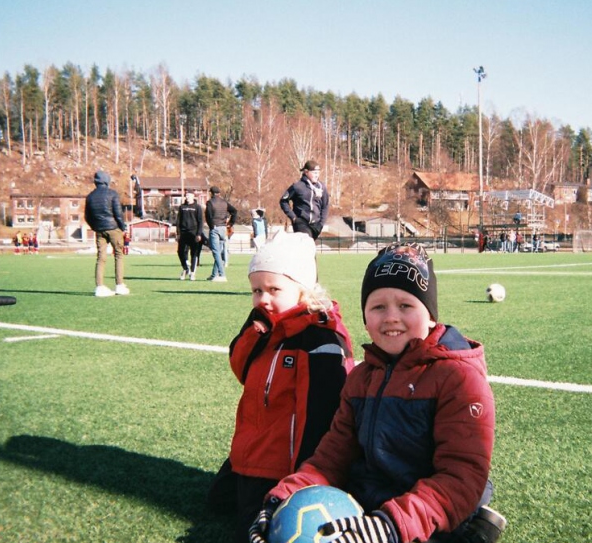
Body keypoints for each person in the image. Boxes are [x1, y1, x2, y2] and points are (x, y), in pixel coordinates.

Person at [249, 242, 505, 543]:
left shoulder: (458, 378)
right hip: (371, 505)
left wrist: (390, 526)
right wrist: (281, 499)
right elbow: (331, 457)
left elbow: (461, 478)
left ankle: (473, 529)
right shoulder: (360, 378)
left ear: (431, 314)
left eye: (405, 305)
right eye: (378, 306)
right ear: (365, 316)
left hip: (425, 510)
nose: (391, 317)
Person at [207, 232, 355, 543]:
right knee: (215, 503)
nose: (263, 299)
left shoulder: (319, 338)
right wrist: (254, 330)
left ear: (303, 290)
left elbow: (320, 416)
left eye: (274, 289)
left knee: (252, 531)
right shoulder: (267, 329)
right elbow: (240, 367)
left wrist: (302, 477)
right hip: (252, 452)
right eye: (256, 290)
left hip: (283, 466)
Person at [84, 170, 129, 297]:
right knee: (119, 255)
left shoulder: (90, 197)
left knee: (100, 258)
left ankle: (99, 286)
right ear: (106, 180)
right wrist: (122, 227)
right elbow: (118, 213)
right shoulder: (112, 194)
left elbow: (87, 216)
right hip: (113, 228)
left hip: (99, 230)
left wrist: (95, 227)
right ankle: (119, 285)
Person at [280, 160, 329, 239]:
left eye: (318, 172)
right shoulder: (297, 186)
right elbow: (283, 201)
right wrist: (294, 217)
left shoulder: (322, 187)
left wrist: (321, 223)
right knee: (306, 243)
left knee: (309, 248)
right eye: (314, 173)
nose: (317, 175)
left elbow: (325, 206)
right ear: (306, 172)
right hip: (301, 223)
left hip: (316, 225)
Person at [205, 185, 237, 282]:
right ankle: (214, 274)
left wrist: (211, 226)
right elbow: (234, 211)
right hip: (223, 228)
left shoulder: (210, 203)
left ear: (211, 193)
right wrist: (230, 223)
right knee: (219, 252)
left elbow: (208, 216)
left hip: (215, 228)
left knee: (216, 252)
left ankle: (222, 274)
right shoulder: (224, 202)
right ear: (219, 193)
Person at [176, 192, 205, 280]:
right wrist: (178, 233)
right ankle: (185, 268)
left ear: (193, 196)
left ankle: (192, 273)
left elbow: (200, 221)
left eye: (189, 195)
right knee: (180, 252)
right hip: (183, 233)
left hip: (194, 233)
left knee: (194, 253)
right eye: (186, 195)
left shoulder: (197, 207)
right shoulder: (182, 207)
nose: (187, 197)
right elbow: (178, 221)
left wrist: (199, 234)